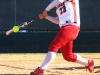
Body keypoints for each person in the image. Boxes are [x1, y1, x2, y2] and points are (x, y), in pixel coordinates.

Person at [30, 0, 94, 75]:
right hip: (65, 28)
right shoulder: (58, 5)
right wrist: (46, 16)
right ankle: (88, 63)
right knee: (68, 56)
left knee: (54, 46)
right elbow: (58, 21)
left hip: (71, 27)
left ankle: (42, 69)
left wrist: (46, 9)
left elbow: (58, 0)